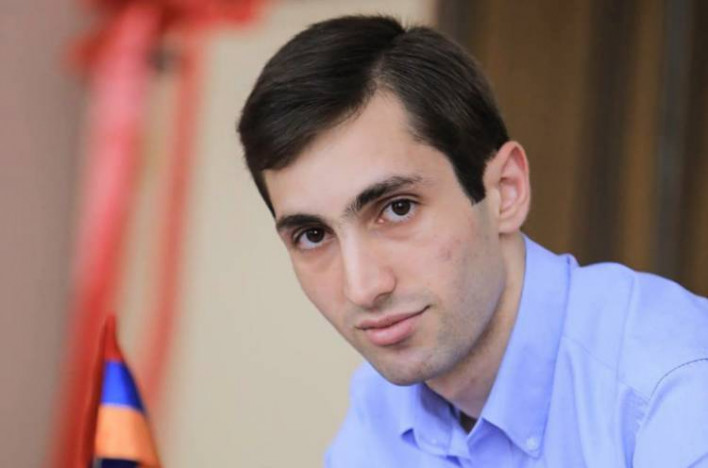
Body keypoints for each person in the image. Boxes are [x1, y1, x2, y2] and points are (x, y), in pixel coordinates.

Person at [237, 15, 708, 467]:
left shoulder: (674, 386)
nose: (362, 288)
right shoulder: (382, 406)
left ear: (506, 190)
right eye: (313, 235)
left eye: (397, 208)